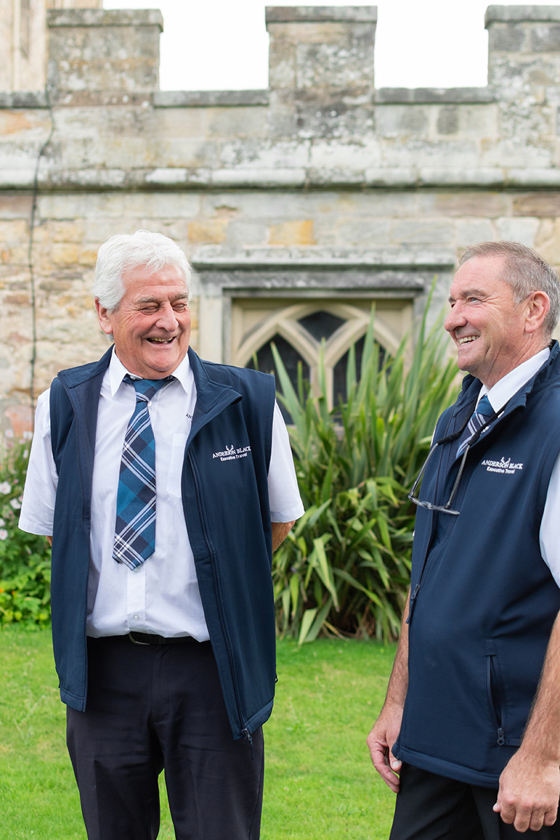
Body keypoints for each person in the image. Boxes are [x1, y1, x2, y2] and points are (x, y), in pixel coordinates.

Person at [19, 229, 304, 840]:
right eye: (149, 306)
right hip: (103, 679)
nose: (169, 322)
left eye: (179, 303)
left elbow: (276, 523)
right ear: (104, 313)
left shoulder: (246, 400)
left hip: (212, 671)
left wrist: (208, 578)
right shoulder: (63, 404)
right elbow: (57, 535)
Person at [367, 241, 560, 839]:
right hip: (434, 741)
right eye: (452, 302)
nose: (452, 318)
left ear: (534, 310)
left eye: (473, 299)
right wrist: (401, 702)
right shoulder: (460, 417)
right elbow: (428, 571)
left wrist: (544, 757)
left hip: (515, 755)